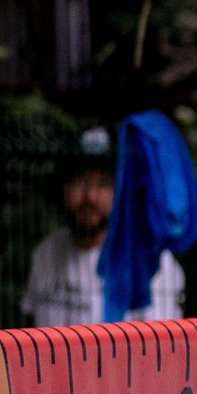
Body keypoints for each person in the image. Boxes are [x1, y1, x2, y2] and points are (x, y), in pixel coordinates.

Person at [21, 125, 183, 328]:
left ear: (121, 192)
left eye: (103, 184)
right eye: (80, 181)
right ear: (63, 187)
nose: (89, 196)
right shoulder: (47, 252)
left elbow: (160, 351)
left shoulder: (151, 263)